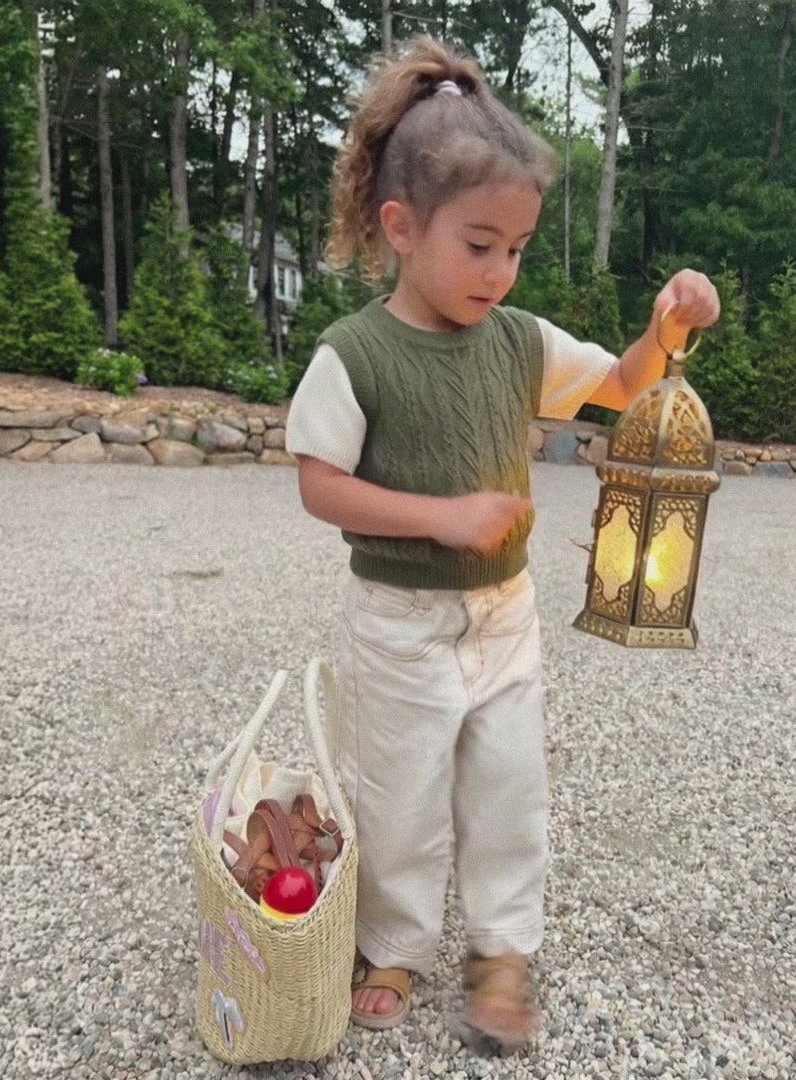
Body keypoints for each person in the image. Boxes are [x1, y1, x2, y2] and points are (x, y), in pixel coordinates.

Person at [284, 36, 719, 1049]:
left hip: (504, 616)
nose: (501, 270)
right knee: (399, 794)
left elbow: (621, 383)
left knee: (510, 788)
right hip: (398, 621)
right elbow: (318, 483)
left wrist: (668, 325)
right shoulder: (356, 354)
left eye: (516, 248)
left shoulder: (519, 341)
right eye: (479, 244)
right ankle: (393, 942)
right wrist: (441, 516)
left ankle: (502, 951)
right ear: (401, 225)